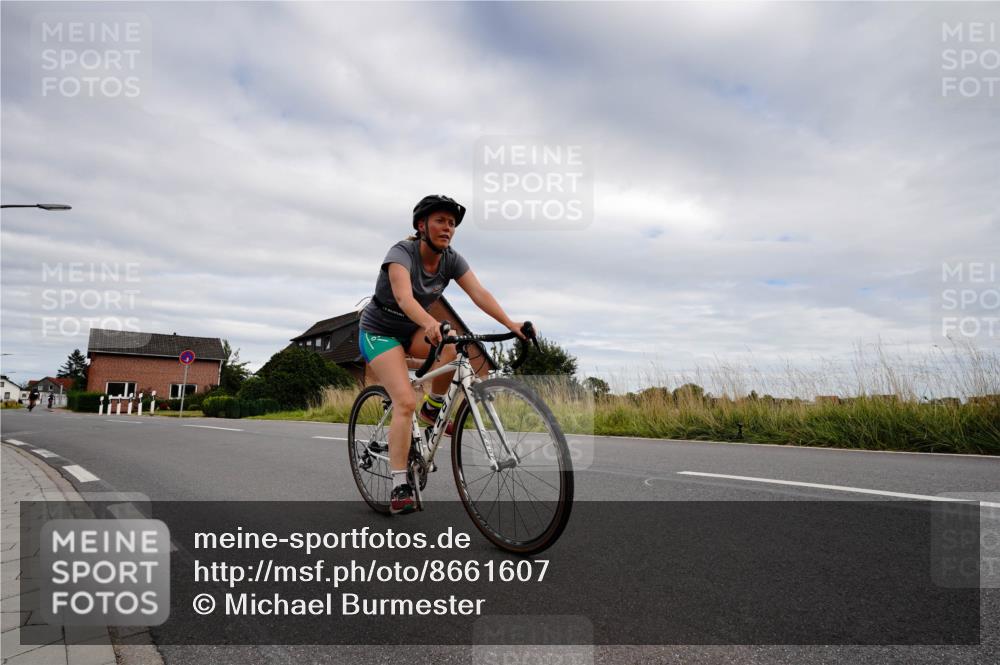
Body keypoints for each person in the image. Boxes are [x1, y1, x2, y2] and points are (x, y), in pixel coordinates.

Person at [358, 194, 528, 514]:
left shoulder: (451, 260)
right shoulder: (401, 254)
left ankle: (432, 409)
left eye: (451, 223)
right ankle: (399, 485)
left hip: (412, 330)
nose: (447, 228)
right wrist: (429, 322)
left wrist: (511, 323)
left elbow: (479, 293)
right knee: (405, 401)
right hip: (379, 333)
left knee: (452, 346)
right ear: (421, 225)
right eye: (440, 220)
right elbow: (404, 298)